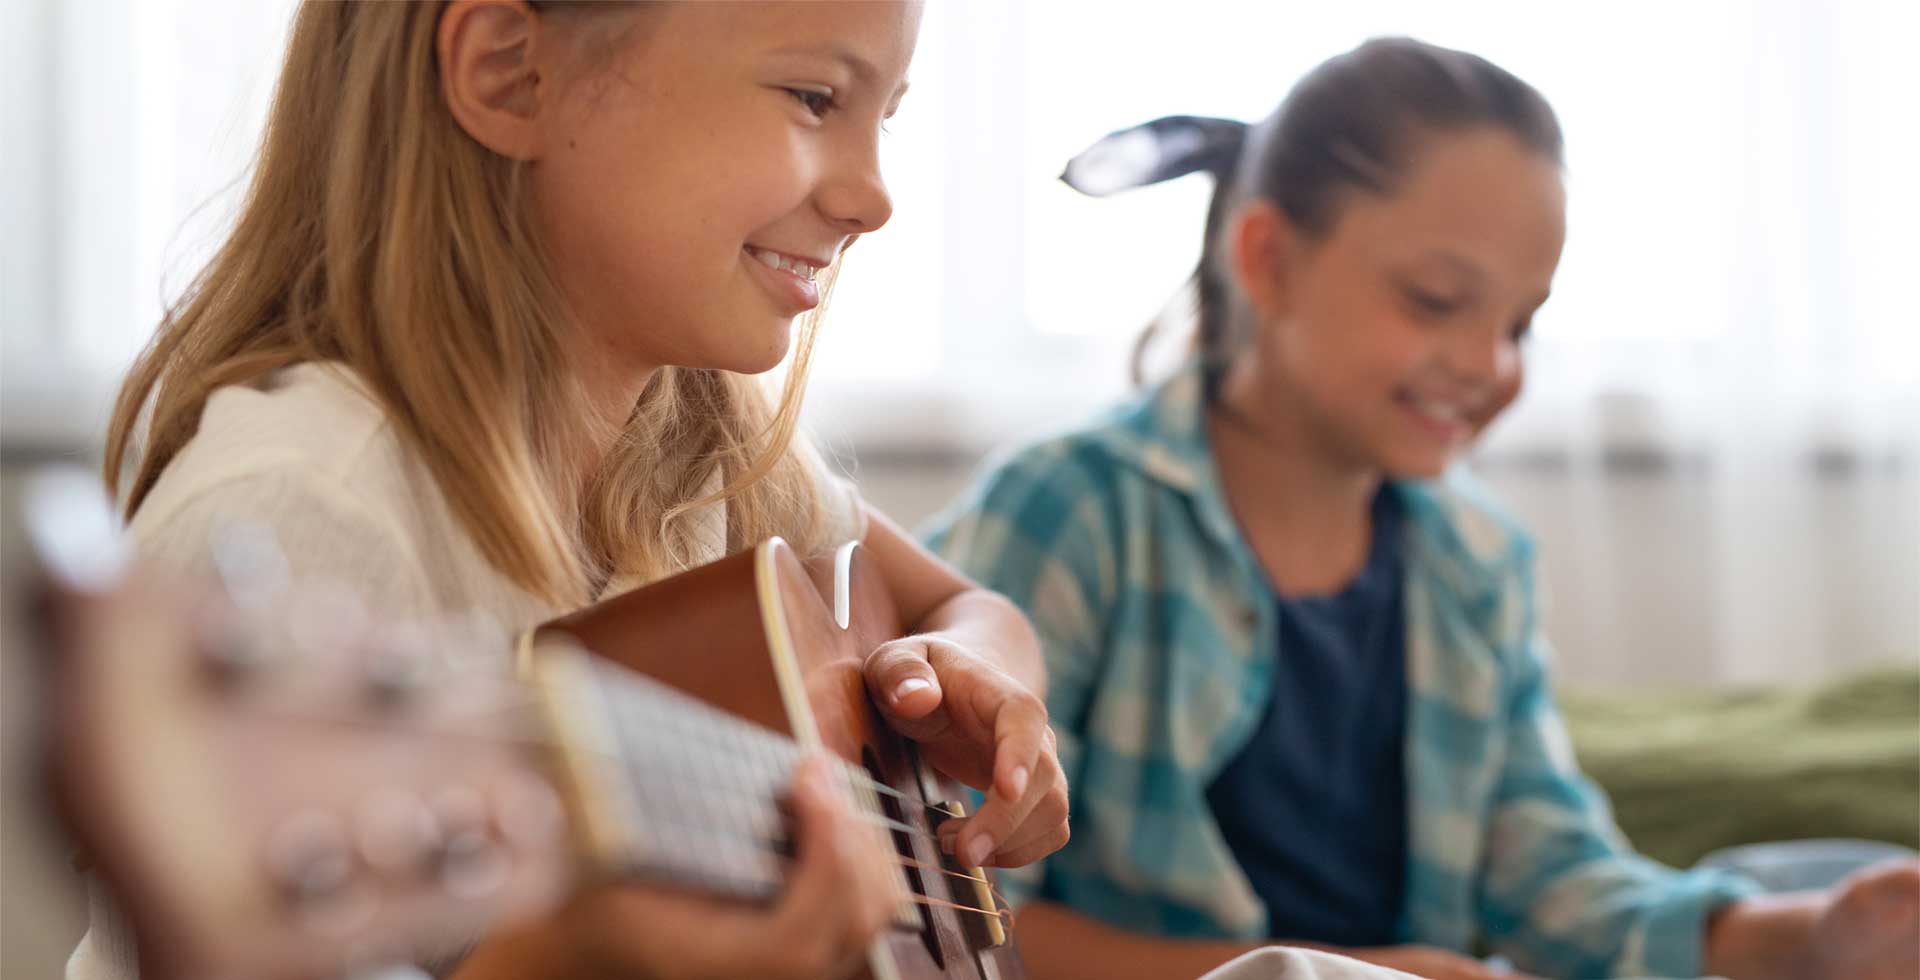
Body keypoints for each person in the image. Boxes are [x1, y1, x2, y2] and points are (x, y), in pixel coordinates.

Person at [79, 3, 1067, 978]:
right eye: (816, 98)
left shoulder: (703, 431)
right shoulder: (299, 509)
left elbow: (966, 608)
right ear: (511, 72)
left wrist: (977, 682)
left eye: (883, 116)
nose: (875, 197)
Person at [926, 36, 1919, 980]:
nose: (1490, 364)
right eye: (1438, 299)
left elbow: (1557, 882)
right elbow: (948, 904)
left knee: (1807, 863)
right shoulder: (1072, 514)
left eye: (1522, 322)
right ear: (1268, 260)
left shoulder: (1477, 560)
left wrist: (1807, 938)